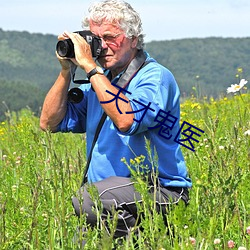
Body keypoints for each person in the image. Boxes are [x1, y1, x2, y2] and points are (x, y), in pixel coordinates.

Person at [40, 0, 192, 244]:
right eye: (96, 39)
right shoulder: (99, 82)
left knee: (88, 200)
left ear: (133, 39)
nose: (102, 47)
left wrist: (90, 67)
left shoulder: (154, 77)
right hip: (110, 199)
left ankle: (146, 241)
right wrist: (66, 70)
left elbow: (126, 120)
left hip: (159, 191)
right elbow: (49, 123)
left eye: (110, 37)